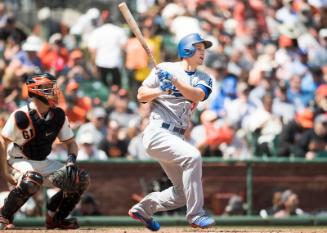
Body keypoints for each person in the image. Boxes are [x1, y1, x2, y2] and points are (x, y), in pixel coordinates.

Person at [128, 33, 215, 231]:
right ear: (187, 50)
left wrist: (175, 82)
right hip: (157, 132)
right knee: (193, 157)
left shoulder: (205, 77)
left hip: (176, 137)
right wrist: (161, 90)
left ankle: (143, 209)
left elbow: (198, 95)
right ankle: (196, 214)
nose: (202, 53)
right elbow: (141, 95)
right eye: (198, 48)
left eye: (203, 49)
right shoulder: (165, 68)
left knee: (182, 193)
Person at [0, 73, 90, 230]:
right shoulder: (21, 115)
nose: (54, 92)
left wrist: (71, 161)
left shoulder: (59, 115)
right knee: (31, 180)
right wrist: (5, 172)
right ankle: (4, 216)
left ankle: (55, 219)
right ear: (35, 91)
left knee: (79, 179)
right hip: (18, 160)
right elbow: (3, 141)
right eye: (48, 88)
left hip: (43, 161)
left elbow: (71, 143)